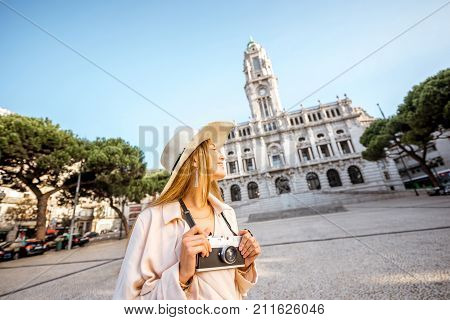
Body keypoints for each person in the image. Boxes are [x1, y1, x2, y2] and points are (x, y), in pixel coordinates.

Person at [113, 121, 261, 299]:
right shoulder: (151, 219)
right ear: (196, 159)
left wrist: (245, 264)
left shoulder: (226, 213)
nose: (223, 157)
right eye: (214, 150)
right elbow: (126, 299)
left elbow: (235, 290)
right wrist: (182, 275)